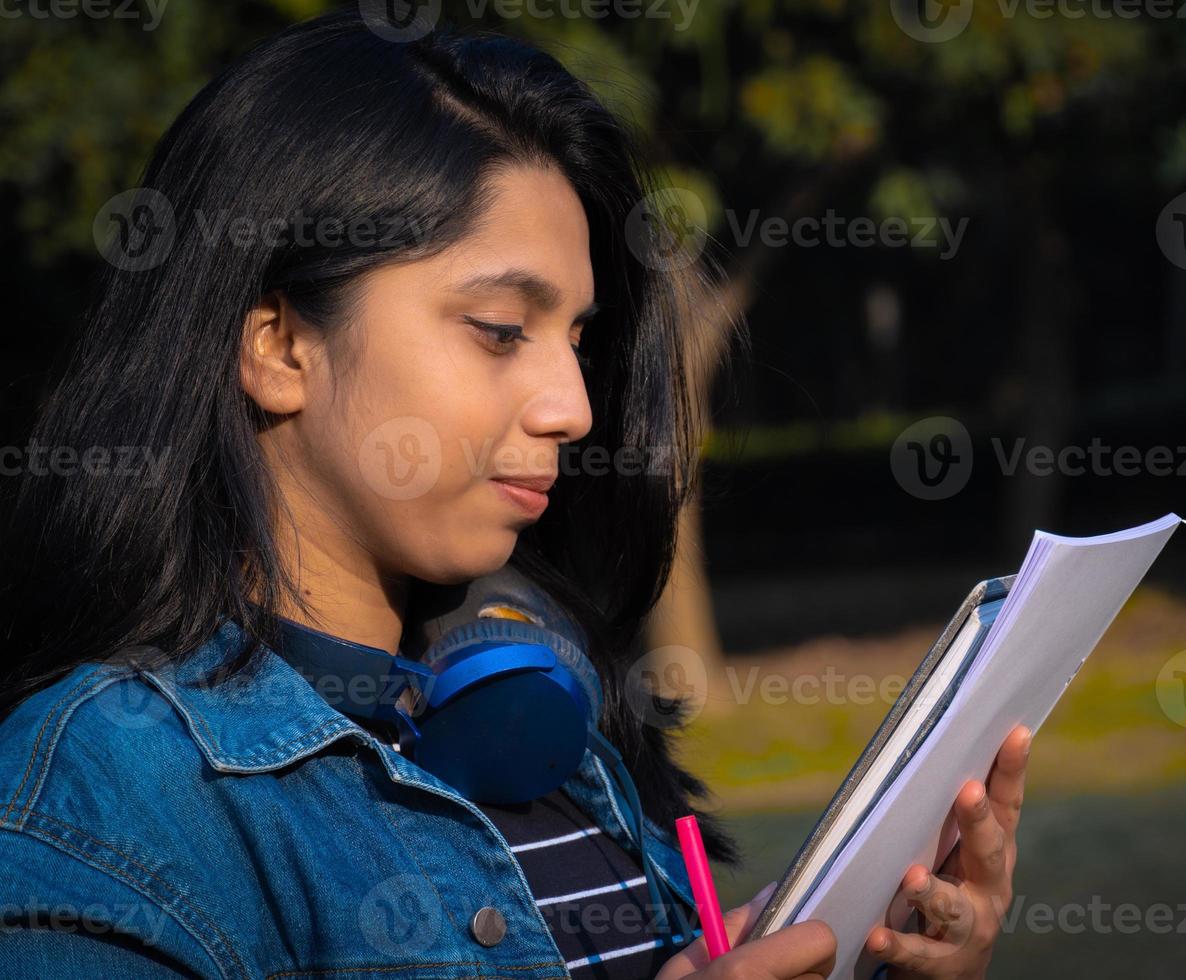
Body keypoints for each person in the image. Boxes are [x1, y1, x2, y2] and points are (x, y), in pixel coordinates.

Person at [0, 8, 1028, 977]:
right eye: (499, 329)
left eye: (579, 337)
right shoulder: (96, 800)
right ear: (277, 345)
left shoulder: (558, 727)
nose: (573, 406)